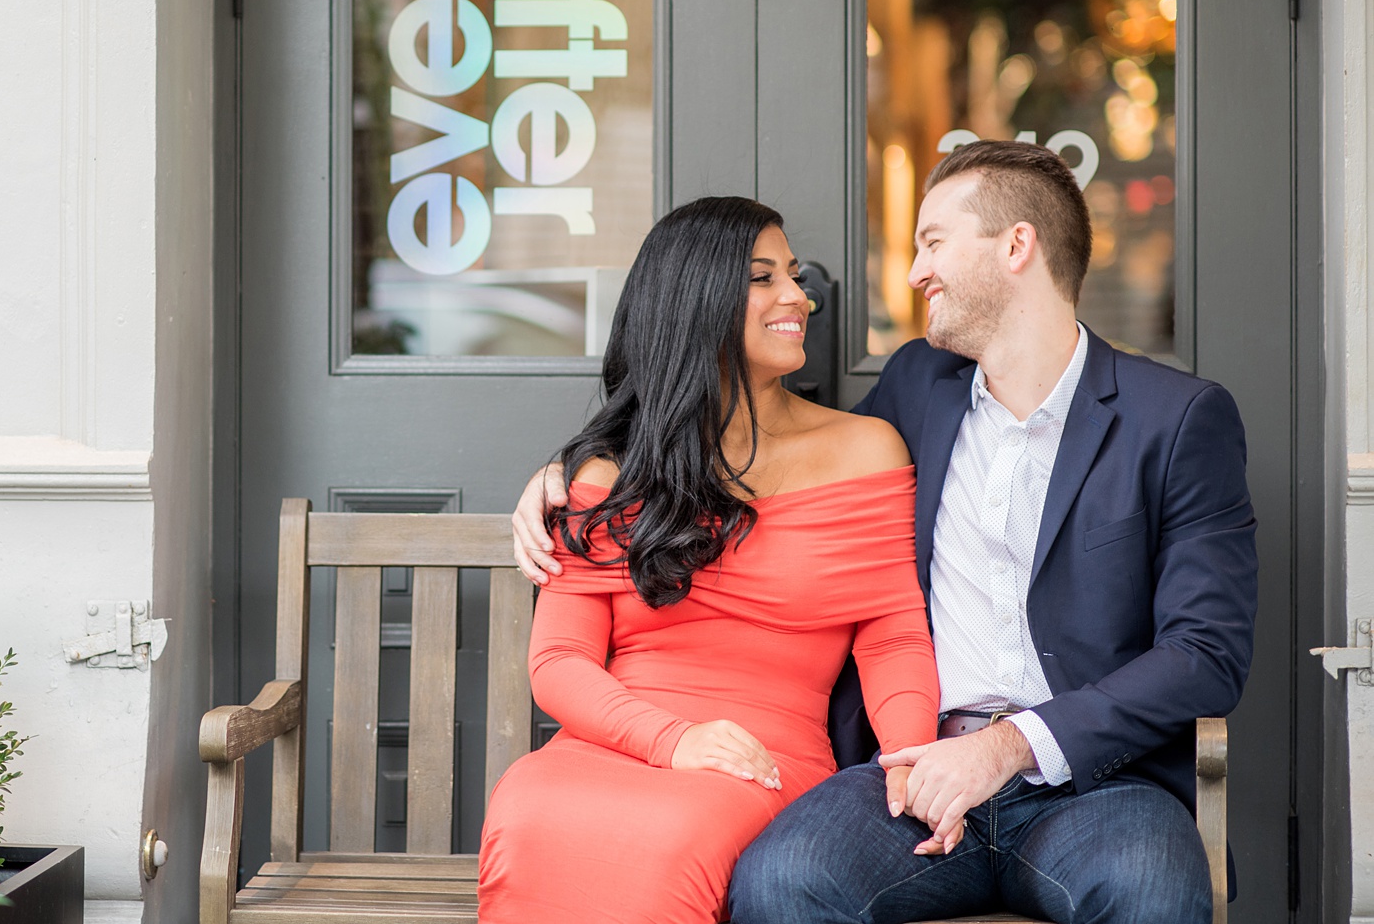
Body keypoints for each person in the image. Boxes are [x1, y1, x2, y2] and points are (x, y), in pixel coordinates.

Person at [510, 142, 1259, 924]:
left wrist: (1009, 746)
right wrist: (576, 469)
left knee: (1152, 891)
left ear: (1016, 247)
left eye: (932, 241)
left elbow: (1204, 655)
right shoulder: (917, 387)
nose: (911, 272)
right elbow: (750, 467)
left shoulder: (1173, 421)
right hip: (912, 768)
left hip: (1095, 784)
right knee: (783, 880)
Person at [477, 196, 942, 924]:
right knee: (528, 807)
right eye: (763, 278)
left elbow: (892, 632)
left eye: (793, 275)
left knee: (670, 839)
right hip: (618, 742)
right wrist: (674, 739)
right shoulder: (611, 471)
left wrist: (911, 755)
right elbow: (559, 661)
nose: (798, 296)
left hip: (765, 757)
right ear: (694, 301)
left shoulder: (864, 450)